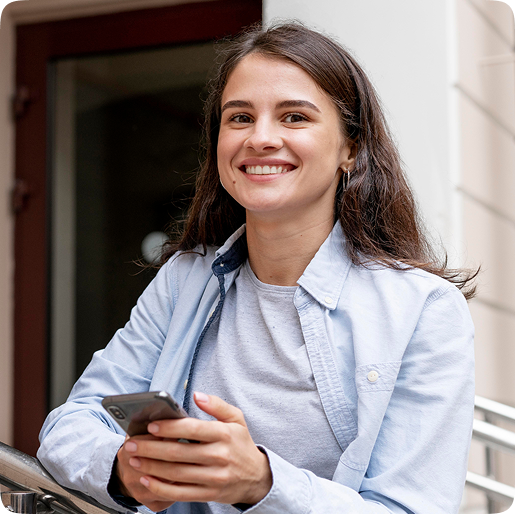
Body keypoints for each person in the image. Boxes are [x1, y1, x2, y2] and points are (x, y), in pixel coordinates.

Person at [38, 22, 476, 514]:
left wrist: (262, 483)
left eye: (293, 117)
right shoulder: (186, 278)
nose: (261, 138)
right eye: (240, 117)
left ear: (351, 149)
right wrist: (123, 468)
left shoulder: (424, 310)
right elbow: (70, 424)